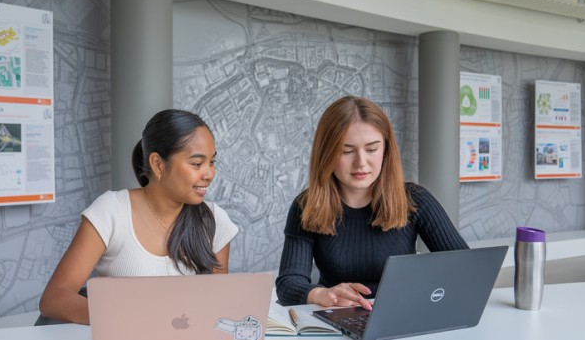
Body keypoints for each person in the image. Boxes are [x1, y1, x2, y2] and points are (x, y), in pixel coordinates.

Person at [39, 109, 238, 324]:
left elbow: (217, 303)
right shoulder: (112, 211)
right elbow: (55, 298)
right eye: (197, 164)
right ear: (158, 164)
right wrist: (133, 319)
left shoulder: (215, 220)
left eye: (212, 162)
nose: (209, 174)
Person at [276, 95, 468, 309]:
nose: (361, 162)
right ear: (326, 154)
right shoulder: (306, 206)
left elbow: (467, 269)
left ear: (385, 150)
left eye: (371, 149)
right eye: (346, 151)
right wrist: (320, 294)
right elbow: (287, 284)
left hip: (402, 316)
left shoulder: (415, 200)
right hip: (336, 320)